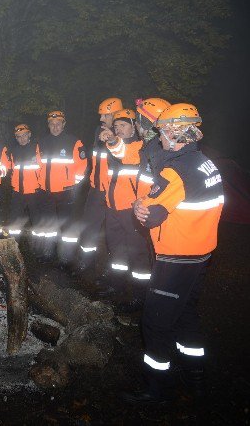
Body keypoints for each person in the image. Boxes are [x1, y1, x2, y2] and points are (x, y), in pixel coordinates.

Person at [121, 103, 224, 404]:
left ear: (177, 132)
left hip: (177, 257)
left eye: (163, 132)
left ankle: (157, 389)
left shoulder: (174, 170)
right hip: (200, 254)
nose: (161, 138)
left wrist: (139, 205)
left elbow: (150, 216)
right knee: (186, 316)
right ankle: (197, 380)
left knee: (155, 322)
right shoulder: (205, 162)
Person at [97, 109, 153, 310]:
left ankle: (140, 294)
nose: (118, 129)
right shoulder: (112, 149)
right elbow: (107, 176)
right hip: (112, 208)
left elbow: (124, 153)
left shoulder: (141, 147)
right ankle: (117, 285)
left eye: (123, 125)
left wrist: (113, 141)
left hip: (131, 211)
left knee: (138, 253)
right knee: (116, 250)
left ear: (133, 128)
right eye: (116, 126)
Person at [75, 97, 123, 273]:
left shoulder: (123, 135)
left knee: (114, 235)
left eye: (105, 116)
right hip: (96, 190)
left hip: (114, 192)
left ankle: (113, 273)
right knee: (89, 227)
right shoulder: (98, 131)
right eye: (101, 116)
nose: (101, 119)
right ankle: (86, 264)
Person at [35, 110, 86, 264]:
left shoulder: (74, 142)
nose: (55, 127)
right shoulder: (41, 143)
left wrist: (73, 185)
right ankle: (47, 253)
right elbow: (37, 166)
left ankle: (66, 258)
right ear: (48, 125)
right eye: (52, 124)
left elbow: (82, 166)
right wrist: (39, 183)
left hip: (66, 192)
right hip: (46, 192)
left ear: (64, 124)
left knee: (67, 228)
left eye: (58, 124)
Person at [6, 124, 42, 239]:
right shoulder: (13, 152)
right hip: (17, 193)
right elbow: (9, 168)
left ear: (29, 134)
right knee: (14, 224)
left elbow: (44, 168)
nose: (22, 139)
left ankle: (39, 249)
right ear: (16, 138)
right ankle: (13, 246)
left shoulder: (37, 149)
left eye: (24, 135)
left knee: (37, 222)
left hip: (34, 193)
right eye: (18, 136)